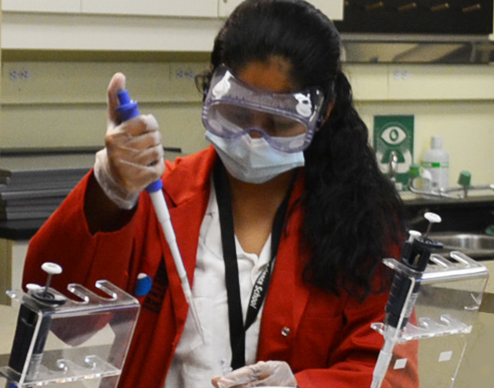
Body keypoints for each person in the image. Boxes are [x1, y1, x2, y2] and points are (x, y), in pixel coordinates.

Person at [22, 1, 418, 387]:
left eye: (279, 123)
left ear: (323, 112)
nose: (253, 137)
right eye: (237, 114)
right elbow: (68, 323)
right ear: (211, 88)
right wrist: (111, 191)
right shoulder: (162, 197)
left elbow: (389, 373)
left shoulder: (362, 225)